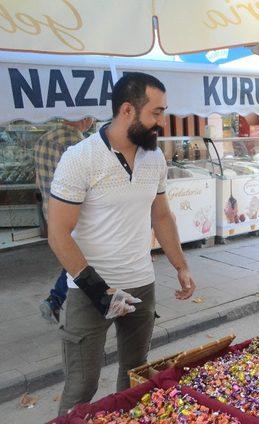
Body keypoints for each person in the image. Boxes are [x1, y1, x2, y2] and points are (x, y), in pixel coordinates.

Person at [48, 72, 197, 415]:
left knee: (136, 379)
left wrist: (181, 266)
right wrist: (100, 291)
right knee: (82, 387)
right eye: (156, 113)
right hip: (89, 292)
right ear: (128, 110)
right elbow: (58, 234)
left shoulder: (154, 158)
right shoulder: (80, 158)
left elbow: (162, 216)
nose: (162, 121)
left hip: (141, 285)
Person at [36, 118, 94, 323]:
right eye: (91, 117)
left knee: (72, 254)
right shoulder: (80, 145)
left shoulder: (43, 140)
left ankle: (56, 301)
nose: (92, 121)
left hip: (50, 212)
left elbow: (38, 180)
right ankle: (56, 301)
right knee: (81, 257)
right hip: (75, 214)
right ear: (84, 118)